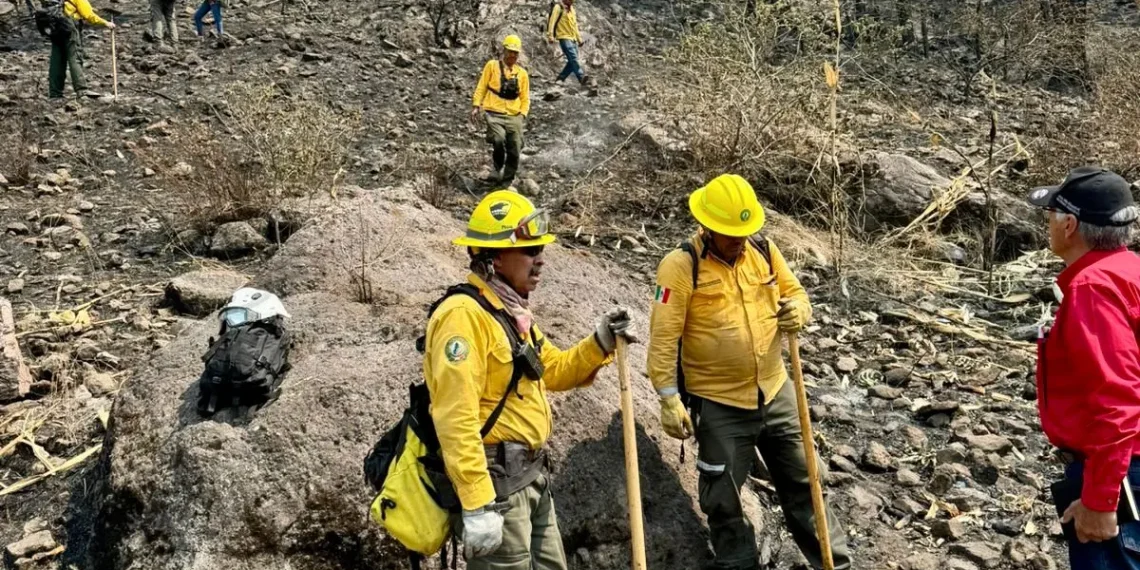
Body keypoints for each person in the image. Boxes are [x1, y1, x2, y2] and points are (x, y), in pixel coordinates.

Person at [646, 174, 850, 570]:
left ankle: (834, 564)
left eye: (744, 231)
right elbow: (663, 338)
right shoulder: (680, 267)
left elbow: (796, 295)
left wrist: (799, 311)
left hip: (776, 389)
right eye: (729, 233)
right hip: (720, 402)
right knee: (723, 500)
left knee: (807, 484)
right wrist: (668, 398)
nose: (738, 239)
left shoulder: (764, 250)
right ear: (707, 226)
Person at [425, 190, 632, 569]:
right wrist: (476, 504)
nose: (540, 261)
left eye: (541, 250)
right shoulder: (463, 317)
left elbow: (552, 369)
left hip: (532, 479)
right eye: (530, 250)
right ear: (494, 258)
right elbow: (455, 418)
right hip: (497, 490)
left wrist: (601, 341)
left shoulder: (509, 313)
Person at [1028, 166, 1140, 570]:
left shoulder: (1094, 287)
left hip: (1123, 470)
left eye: (1052, 214)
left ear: (1070, 225)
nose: (1049, 224)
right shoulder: (1131, 272)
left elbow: (1118, 400)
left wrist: (1100, 499)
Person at [470, 35, 530, 187]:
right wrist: (476, 106)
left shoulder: (522, 74)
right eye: (510, 51)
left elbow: (525, 97)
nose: (512, 55)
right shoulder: (492, 66)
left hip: (514, 115)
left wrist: (523, 114)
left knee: (515, 147)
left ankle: (507, 179)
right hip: (493, 112)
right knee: (498, 139)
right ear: (504, 50)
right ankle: (497, 168)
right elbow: (482, 86)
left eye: (515, 53)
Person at [47, 0, 114, 99]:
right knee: (75, 57)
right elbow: (89, 16)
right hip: (70, 28)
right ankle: (82, 90)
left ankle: (55, 93)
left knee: (57, 60)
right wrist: (106, 23)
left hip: (55, 29)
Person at [545, 0, 592, 87]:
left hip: (573, 38)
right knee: (573, 58)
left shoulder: (572, 10)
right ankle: (581, 77)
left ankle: (560, 78)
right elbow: (552, 22)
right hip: (563, 37)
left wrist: (579, 39)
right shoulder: (558, 7)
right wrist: (550, 36)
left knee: (572, 61)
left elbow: (575, 26)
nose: (571, 1)